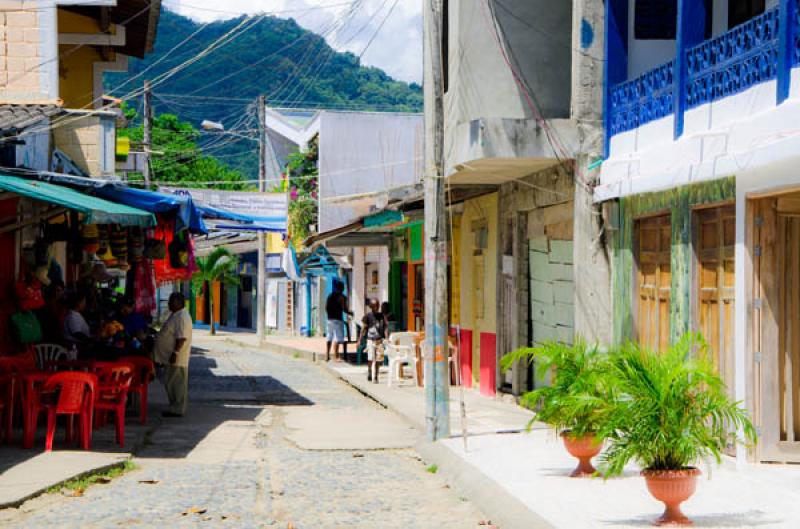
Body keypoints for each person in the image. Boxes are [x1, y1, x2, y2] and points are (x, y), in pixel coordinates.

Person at [154, 292, 193, 417]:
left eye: (171, 301)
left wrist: (175, 353)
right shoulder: (176, 315)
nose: (169, 303)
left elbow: (181, 338)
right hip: (170, 356)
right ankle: (174, 406)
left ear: (178, 302)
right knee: (171, 381)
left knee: (177, 383)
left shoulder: (182, 317)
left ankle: (177, 408)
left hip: (177, 357)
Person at [359, 299, 385, 383]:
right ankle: (370, 370)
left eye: (377, 306)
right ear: (371, 307)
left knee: (378, 359)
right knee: (370, 358)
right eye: (374, 306)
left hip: (379, 340)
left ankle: (376, 376)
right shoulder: (367, 316)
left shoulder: (381, 316)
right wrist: (359, 340)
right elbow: (363, 328)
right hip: (370, 340)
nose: (376, 308)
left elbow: (386, 327)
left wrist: (387, 337)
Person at [325, 280, 351, 362]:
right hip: (337, 319)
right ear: (342, 288)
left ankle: (327, 355)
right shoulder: (342, 297)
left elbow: (326, 307)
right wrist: (351, 313)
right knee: (337, 338)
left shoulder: (330, 296)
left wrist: (330, 314)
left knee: (329, 336)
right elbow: (344, 309)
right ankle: (336, 356)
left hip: (329, 319)